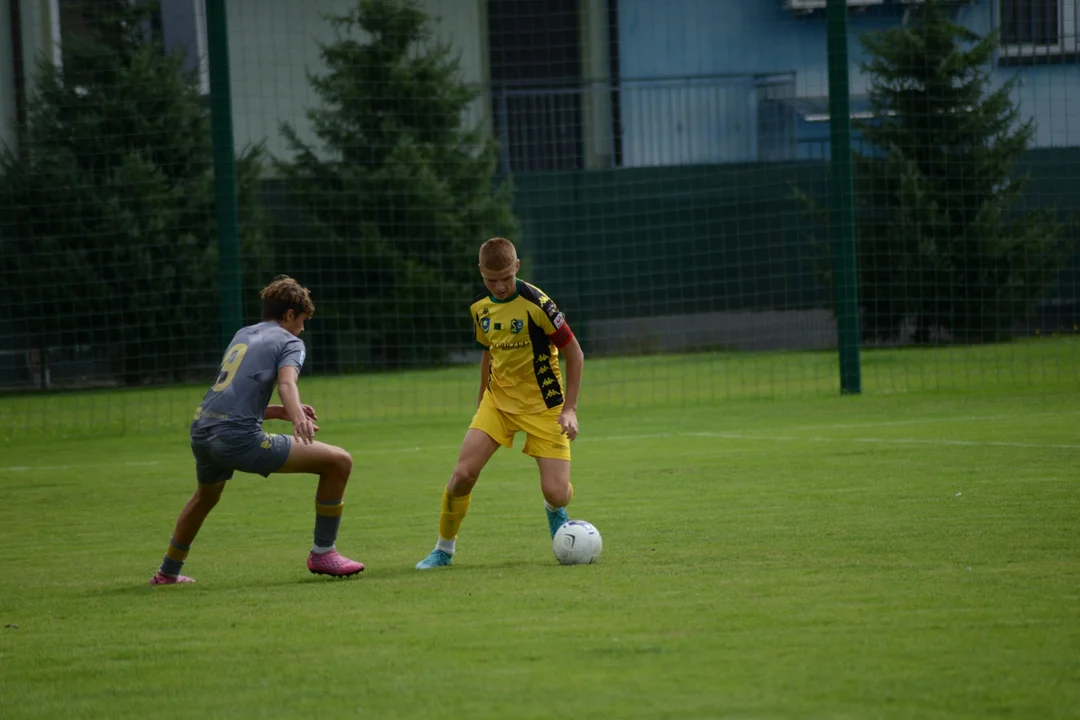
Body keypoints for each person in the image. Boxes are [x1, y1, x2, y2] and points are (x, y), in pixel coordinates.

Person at [150, 276, 365, 585]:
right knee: (339, 462)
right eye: (302, 320)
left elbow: (230, 394)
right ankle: (323, 553)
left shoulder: (243, 334)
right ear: (290, 315)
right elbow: (287, 383)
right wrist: (298, 416)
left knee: (205, 497)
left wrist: (279, 413)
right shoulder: (290, 342)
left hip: (202, 430)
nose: (303, 328)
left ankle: (167, 572)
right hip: (237, 439)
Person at [415, 237, 585, 569]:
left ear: (516, 267)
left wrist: (570, 409)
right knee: (463, 473)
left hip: (545, 404)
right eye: (491, 280)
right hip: (499, 403)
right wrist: (482, 401)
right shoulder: (479, 306)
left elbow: (574, 353)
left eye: (506, 278)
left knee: (556, 492)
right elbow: (488, 352)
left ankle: (555, 509)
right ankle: (443, 550)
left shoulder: (537, 303)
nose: (500, 286)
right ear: (480, 272)